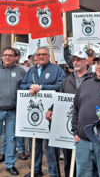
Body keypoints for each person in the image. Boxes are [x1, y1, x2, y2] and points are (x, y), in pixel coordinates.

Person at [46, 50, 93, 177]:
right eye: (74, 60)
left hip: (87, 124)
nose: (76, 62)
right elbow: (60, 96)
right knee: (68, 158)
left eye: (79, 59)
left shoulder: (94, 78)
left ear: (86, 61)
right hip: (68, 125)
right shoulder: (67, 80)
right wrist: (51, 109)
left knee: (86, 160)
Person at [20, 47, 65, 177]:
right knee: (35, 144)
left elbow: (61, 85)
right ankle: (36, 170)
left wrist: (42, 87)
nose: (40, 56)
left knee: (50, 146)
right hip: (34, 112)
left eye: (43, 54)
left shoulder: (57, 69)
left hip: (50, 112)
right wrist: (30, 87)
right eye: (38, 54)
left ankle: (53, 172)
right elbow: (22, 84)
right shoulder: (32, 70)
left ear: (48, 56)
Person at [0, 47, 26, 175]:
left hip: (13, 111)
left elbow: (25, 87)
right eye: (5, 55)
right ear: (2, 56)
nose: (7, 57)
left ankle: (10, 164)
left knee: (11, 138)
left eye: (10, 55)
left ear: (15, 57)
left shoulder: (21, 71)